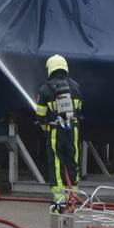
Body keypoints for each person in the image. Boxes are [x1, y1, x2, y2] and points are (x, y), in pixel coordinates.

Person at [34, 54, 84, 212]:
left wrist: (45, 126)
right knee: (72, 161)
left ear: (50, 69)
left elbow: (40, 115)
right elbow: (80, 107)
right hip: (73, 130)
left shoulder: (45, 89)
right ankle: (72, 199)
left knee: (56, 164)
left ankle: (59, 201)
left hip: (55, 131)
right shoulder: (75, 86)